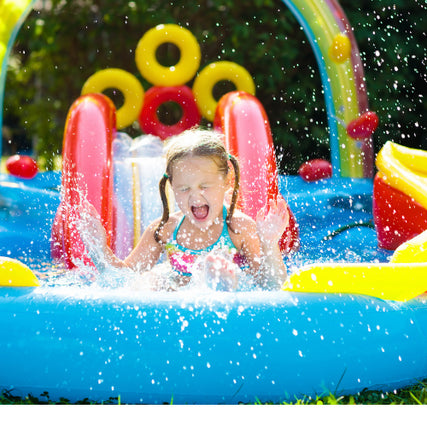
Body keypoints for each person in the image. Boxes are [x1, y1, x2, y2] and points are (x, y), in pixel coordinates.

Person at [79, 128, 290, 290]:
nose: (195, 196)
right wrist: (99, 249)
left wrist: (270, 243)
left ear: (227, 181)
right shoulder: (164, 230)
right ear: (171, 187)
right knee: (154, 283)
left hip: (231, 311)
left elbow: (271, 285)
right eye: (184, 188)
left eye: (204, 186)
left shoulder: (239, 228)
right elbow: (122, 279)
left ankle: (220, 280)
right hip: (181, 314)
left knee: (221, 275)